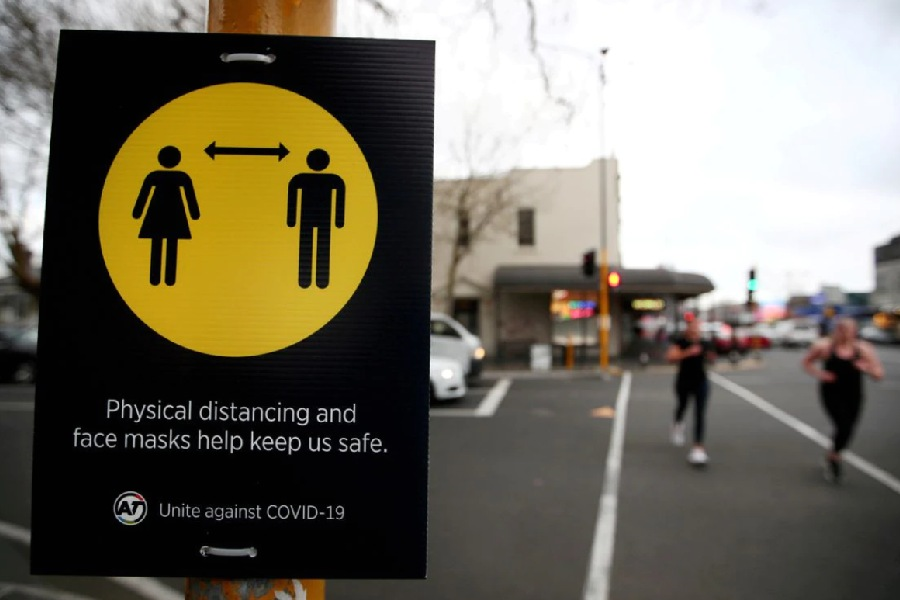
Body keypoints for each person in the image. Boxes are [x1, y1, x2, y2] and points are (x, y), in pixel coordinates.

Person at [802, 317, 884, 483]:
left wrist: (866, 368)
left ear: (854, 331)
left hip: (854, 393)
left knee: (849, 427)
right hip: (831, 392)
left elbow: (879, 374)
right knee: (842, 424)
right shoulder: (825, 347)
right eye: (841, 329)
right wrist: (821, 374)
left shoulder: (863, 349)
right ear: (836, 330)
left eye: (848, 329)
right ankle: (835, 459)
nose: (844, 333)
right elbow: (807, 362)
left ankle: (833, 454)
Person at [132, 145, 200, 286]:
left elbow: (144, 194)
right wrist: (194, 213)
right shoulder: (180, 176)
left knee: (159, 244)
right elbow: (190, 197)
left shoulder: (155, 176)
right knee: (169, 245)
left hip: (159, 213)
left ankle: (159, 278)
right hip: (171, 214)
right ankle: (165, 279)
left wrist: (137, 212)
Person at [666, 318, 717, 465]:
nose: (695, 330)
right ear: (688, 329)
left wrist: (711, 356)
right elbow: (670, 357)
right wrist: (688, 352)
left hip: (701, 381)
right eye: (693, 327)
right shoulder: (681, 342)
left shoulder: (705, 343)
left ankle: (698, 448)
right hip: (684, 381)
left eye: (697, 327)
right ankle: (677, 424)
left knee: (700, 413)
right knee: (682, 406)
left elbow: (712, 358)